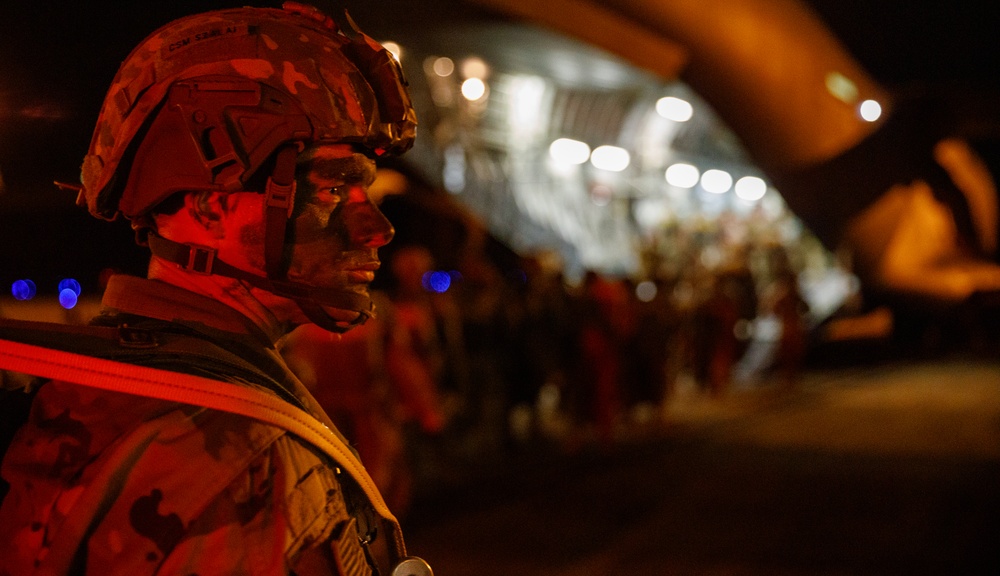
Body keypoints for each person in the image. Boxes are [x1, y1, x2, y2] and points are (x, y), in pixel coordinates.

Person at [0, 3, 431, 575]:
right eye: (332, 191)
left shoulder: (90, 391)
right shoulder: (245, 459)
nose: (379, 229)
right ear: (209, 205)